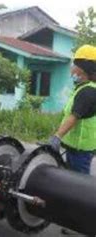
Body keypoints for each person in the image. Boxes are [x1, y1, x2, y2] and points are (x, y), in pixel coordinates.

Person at [49, 44, 96, 176]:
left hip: (80, 150)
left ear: (82, 69)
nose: (71, 69)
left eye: (74, 65)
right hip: (76, 147)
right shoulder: (83, 88)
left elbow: (74, 117)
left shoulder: (88, 91)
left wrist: (57, 136)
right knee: (71, 180)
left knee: (78, 185)